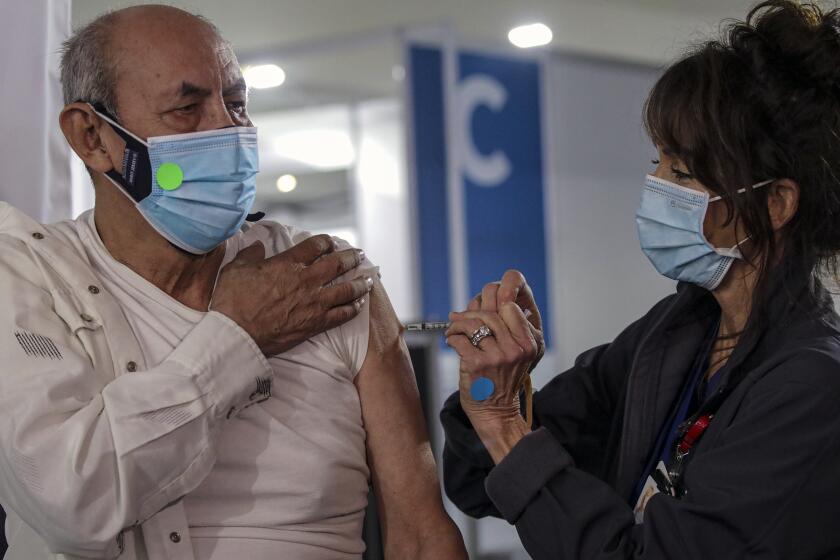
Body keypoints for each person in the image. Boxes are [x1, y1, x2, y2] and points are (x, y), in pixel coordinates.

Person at [0, 5, 466, 560]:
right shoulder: (34, 277)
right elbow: (70, 502)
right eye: (187, 107)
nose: (228, 128)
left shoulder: (325, 277)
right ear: (93, 136)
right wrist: (234, 336)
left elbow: (419, 532)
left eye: (237, 103)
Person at [440, 1, 840, 558]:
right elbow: (480, 479)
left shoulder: (810, 387)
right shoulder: (676, 334)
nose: (654, 185)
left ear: (775, 203)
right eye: (658, 163)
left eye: (681, 172)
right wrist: (498, 383)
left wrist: (505, 423)